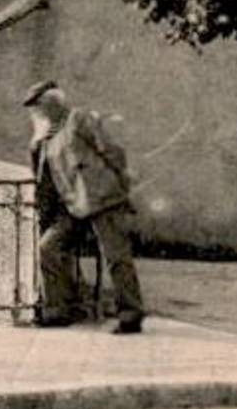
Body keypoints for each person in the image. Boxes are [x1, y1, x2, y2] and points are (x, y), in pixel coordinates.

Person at [23, 80, 146, 334]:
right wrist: (34, 147)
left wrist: (118, 186)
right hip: (73, 207)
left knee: (116, 257)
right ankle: (57, 311)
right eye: (35, 109)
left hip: (103, 200)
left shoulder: (79, 118)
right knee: (48, 248)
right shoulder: (45, 138)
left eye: (40, 106)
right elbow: (41, 178)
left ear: (55, 104)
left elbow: (111, 151)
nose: (37, 113)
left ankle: (131, 314)